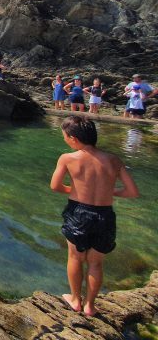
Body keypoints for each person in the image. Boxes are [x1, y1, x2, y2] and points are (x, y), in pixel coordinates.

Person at [50, 115, 139, 316]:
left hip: (78, 213)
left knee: (75, 257)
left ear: (72, 138)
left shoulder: (68, 158)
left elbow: (55, 186)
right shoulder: (114, 160)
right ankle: (90, 306)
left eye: (64, 135)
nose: (64, 139)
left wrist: (74, 191)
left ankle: (75, 300)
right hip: (105, 215)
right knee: (96, 263)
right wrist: (110, 191)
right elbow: (132, 191)